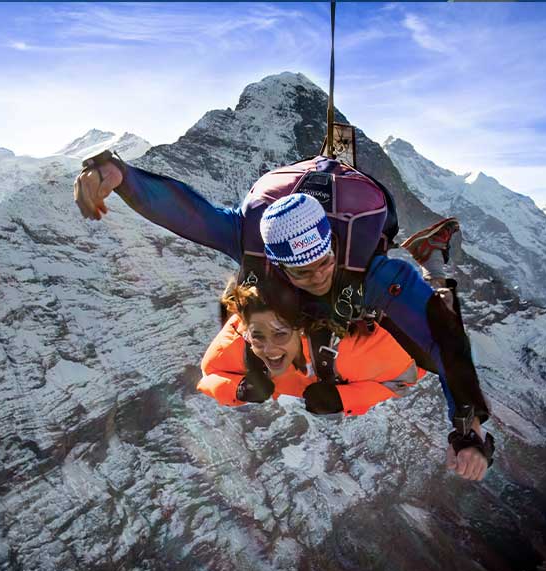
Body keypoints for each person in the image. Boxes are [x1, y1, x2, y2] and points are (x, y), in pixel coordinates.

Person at [74, 153, 495, 482]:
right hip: (289, 287)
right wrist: (120, 175)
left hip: (366, 255)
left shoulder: (373, 272)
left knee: (427, 338)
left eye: (323, 262)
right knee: (255, 315)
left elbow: (447, 345)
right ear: (277, 266)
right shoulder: (250, 243)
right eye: (302, 271)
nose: (317, 276)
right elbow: (188, 215)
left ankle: (433, 262)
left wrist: (468, 431)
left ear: (333, 247)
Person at [198, 281, 423, 416]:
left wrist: (342, 399)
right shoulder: (236, 344)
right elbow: (208, 376)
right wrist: (238, 388)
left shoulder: (377, 349)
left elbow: (402, 378)